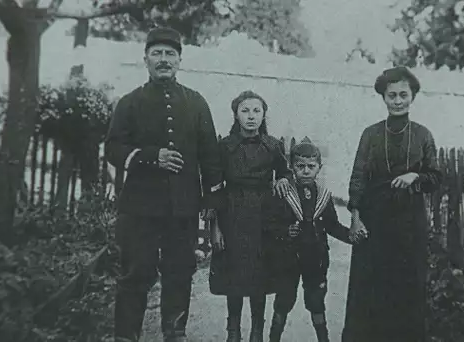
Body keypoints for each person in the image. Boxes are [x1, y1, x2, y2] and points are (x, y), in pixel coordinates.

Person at [104, 27, 223, 342]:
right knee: (135, 274)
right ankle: (126, 336)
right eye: (157, 53)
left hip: (182, 208)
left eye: (170, 54)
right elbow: (113, 149)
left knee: (180, 272)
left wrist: (211, 203)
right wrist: (149, 156)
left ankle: (175, 334)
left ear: (180, 60)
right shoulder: (130, 103)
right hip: (139, 209)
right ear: (145, 59)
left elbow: (211, 157)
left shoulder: (196, 103)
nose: (164, 59)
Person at [341, 66, 443, 342]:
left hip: (410, 225)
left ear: (412, 97)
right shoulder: (370, 135)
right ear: (383, 98)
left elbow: (435, 177)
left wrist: (415, 176)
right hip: (375, 224)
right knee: (370, 289)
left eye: (403, 95)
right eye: (392, 95)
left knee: (406, 289)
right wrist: (356, 217)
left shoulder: (423, 135)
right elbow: (358, 178)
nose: (398, 100)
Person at [209, 90, 292, 342]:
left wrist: (283, 181)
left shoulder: (273, 146)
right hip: (231, 214)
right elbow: (214, 186)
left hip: (264, 220)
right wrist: (215, 228)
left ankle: (257, 331)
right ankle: (232, 331)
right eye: (245, 110)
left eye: (256, 111)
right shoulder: (224, 147)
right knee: (234, 276)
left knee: (259, 277)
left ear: (264, 114)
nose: (251, 116)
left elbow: (285, 173)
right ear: (236, 114)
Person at [262, 138, 355, 342]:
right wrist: (286, 231)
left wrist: (351, 237)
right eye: (300, 166)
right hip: (288, 259)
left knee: (316, 301)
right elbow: (269, 225)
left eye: (311, 167)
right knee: (284, 301)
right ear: (292, 167)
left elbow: (332, 226)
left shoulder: (323, 195)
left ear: (319, 168)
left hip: (316, 259)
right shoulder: (283, 193)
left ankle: (323, 339)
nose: (305, 171)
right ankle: (273, 338)